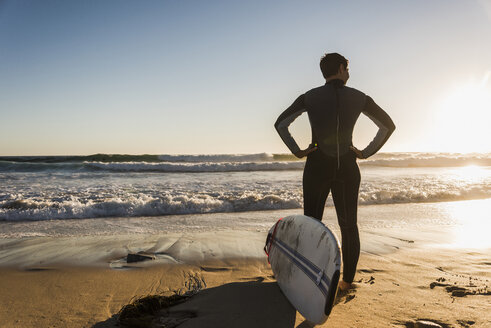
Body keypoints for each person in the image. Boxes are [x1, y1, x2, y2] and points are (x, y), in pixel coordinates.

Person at [274, 53, 395, 291]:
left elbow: (281, 123)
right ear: (341, 68)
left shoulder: (309, 97)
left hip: (316, 166)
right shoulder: (360, 97)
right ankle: (347, 281)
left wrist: (298, 151)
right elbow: (388, 126)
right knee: (349, 226)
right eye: (347, 69)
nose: (349, 73)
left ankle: (308, 280)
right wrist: (365, 152)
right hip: (348, 168)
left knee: (311, 225)